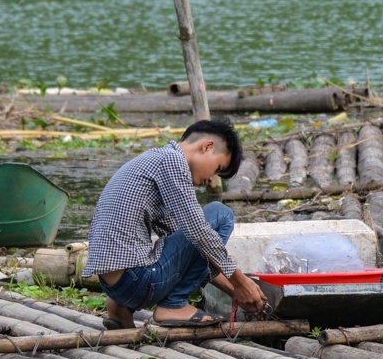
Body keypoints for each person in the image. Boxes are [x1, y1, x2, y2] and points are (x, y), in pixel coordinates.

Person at [83, 119, 267, 330]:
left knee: (196, 234)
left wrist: (233, 290)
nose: (211, 179)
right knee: (220, 214)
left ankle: (119, 307)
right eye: (217, 169)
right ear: (207, 147)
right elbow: (197, 233)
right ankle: (174, 305)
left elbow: (188, 252)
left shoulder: (155, 160)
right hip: (136, 281)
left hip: (117, 286)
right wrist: (241, 281)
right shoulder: (172, 161)